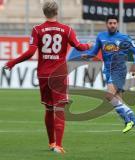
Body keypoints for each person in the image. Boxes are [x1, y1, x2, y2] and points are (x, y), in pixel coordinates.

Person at [4, 0, 92, 153]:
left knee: (49, 108)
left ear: (44, 13)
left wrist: (13, 62)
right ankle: (58, 145)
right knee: (60, 109)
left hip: (43, 74)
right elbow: (79, 46)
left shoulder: (37, 29)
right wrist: (88, 46)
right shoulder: (67, 30)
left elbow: (30, 52)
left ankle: (51, 143)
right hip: (59, 75)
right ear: (57, 12)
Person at [83, 15, 135, 137]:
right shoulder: (101, 37)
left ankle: (128, 121)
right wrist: (88, 55)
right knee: (118, 101)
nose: (112, 25)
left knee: (109, 96)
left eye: (114, 23)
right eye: (110, 23)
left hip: (119, 70)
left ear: (117, 24)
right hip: (107, 71)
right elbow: (95, 52)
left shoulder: (124, 38)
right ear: (106, 24)